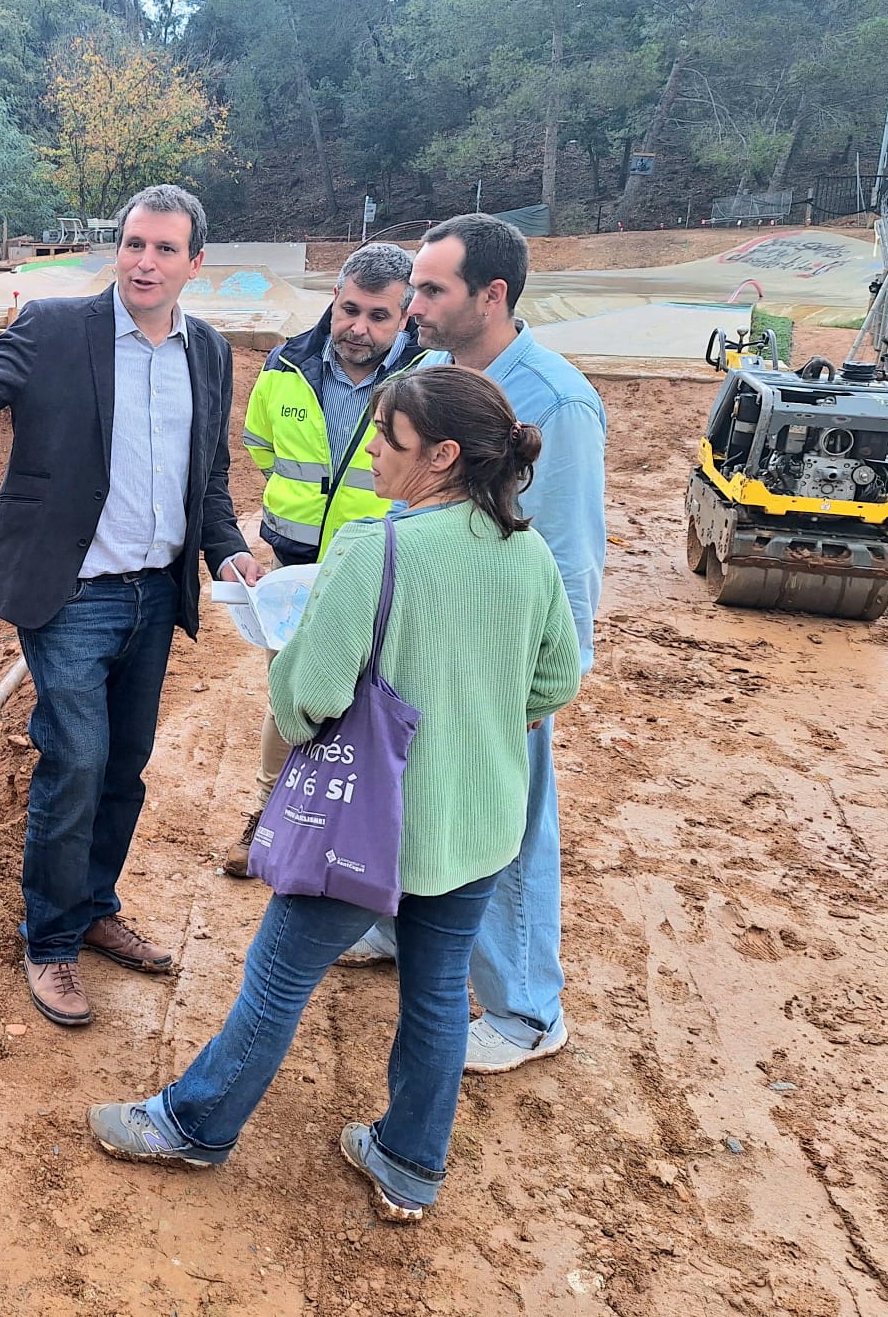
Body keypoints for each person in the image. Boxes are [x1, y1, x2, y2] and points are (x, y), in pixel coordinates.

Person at [86, 366, 581, 1221]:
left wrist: (282, 653)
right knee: (436, 992)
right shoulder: (528, 553)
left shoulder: (373, 550)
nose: (375, 456)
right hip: (477, 825)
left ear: (443, 456)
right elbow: (554, 683)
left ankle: (193, 1125)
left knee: (277, 978)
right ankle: (410, 1165)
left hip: (370, 829)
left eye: (390, 440)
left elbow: (310, 699)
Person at [0, 184, 261, 1028]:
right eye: (133, 244)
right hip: (72, 593)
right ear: (118, 249)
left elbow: (209, 478)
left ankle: (95, 909)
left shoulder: (210, 353)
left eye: (163, 249)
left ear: (195, 264)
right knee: (76, 759)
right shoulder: (54, 329)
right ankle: (50, 944)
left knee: (124, 766)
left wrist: (225, 548)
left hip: (156, 593)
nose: (144, 262)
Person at [338, 212, 606, 1076]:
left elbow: (567, 559)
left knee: (511, 827)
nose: (410, 303)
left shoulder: (555, 404)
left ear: (491, 297)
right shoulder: (433, 374)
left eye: (430, 289)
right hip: (424, 639)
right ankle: (392, 924)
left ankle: (527, 1011)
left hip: (498, 663)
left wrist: (540, 693)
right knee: (407, 791)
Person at [224, 243, 425, 877]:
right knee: (292, 692)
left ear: (405, 316)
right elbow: (260, 446)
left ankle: (364, 837)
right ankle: (270, 816)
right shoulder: (286, 364)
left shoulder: (423, 379)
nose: (358, 328)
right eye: (349, 310)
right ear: (333, 301)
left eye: (378, 316)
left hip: (386, 563)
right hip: (294, 559)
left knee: (375, 700)